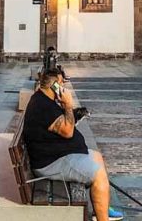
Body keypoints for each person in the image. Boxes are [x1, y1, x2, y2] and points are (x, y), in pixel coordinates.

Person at [23, 70, 123, 221]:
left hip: (57, 154)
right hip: (51, 163)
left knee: (97, 156)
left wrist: (65, 107)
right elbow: (68, 131)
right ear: (55, 85)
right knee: (98, 175)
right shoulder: (43, 106)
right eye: (62, 83)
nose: (64, 87)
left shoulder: (43, 99)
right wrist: (68, 105)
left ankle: (101, 208)